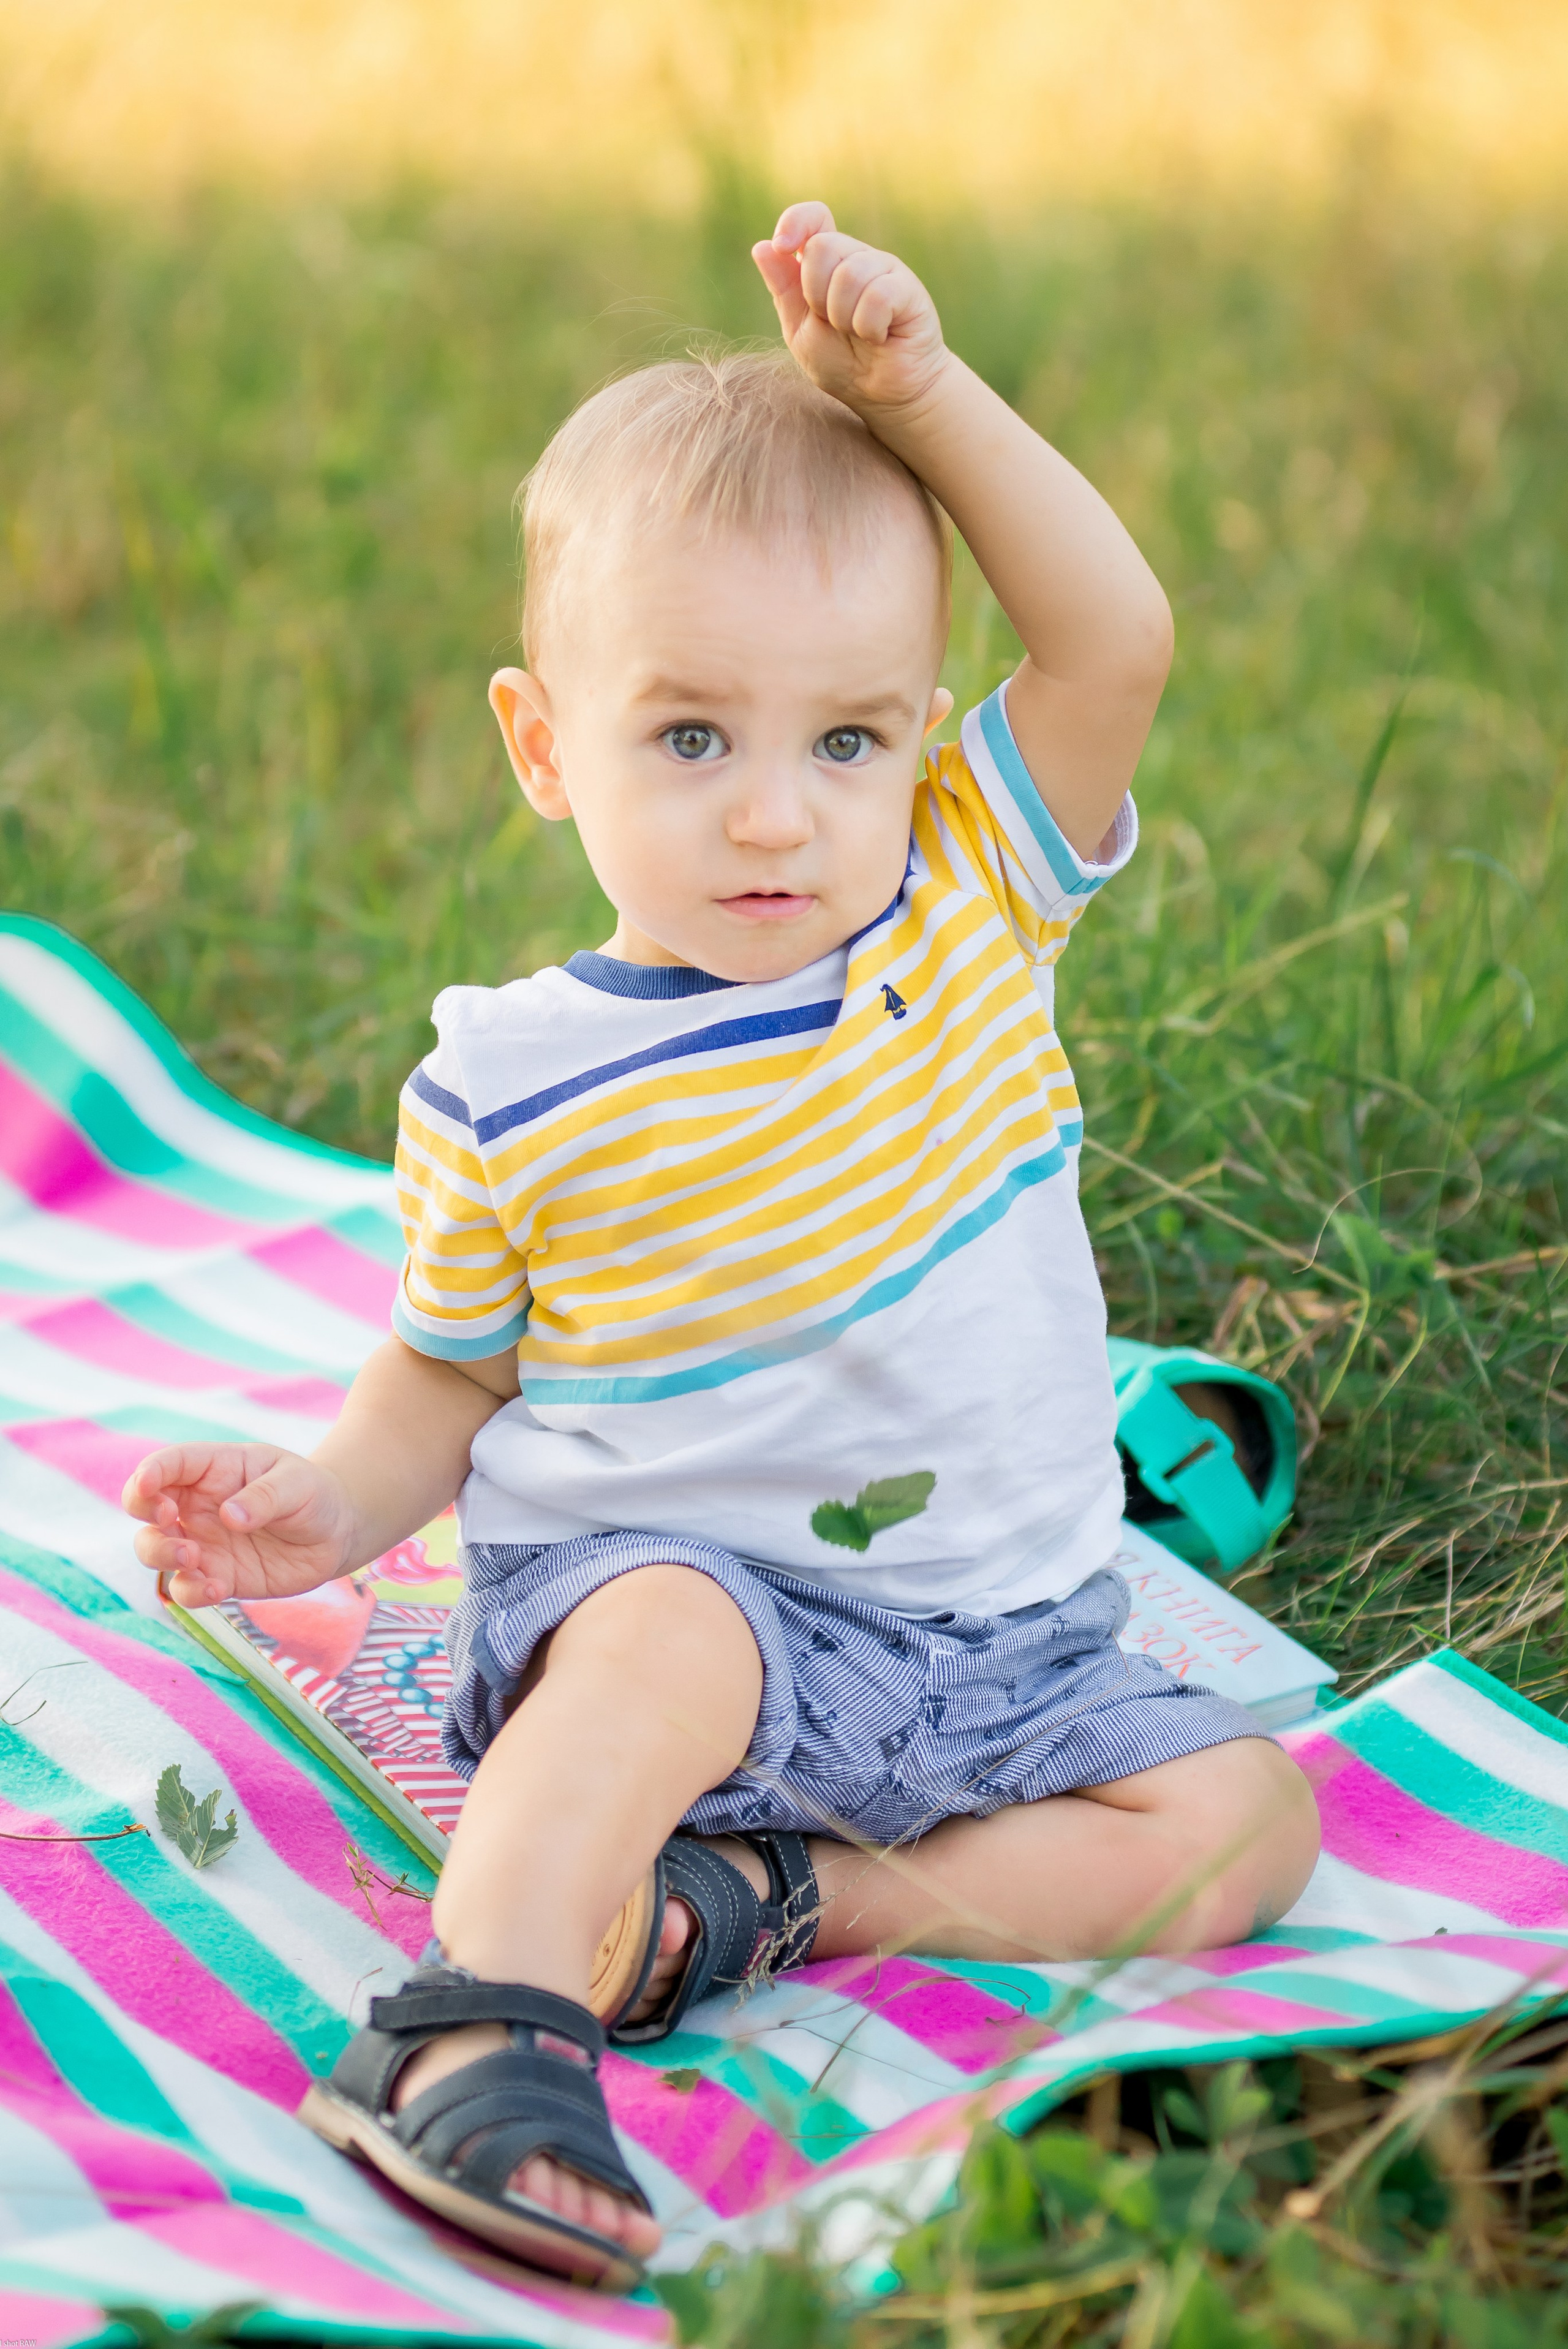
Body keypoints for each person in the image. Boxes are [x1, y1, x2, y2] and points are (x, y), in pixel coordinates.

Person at [123, 202, 1319, 2291]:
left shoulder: (970, 893)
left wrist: (920, 400)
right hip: (674, 1622)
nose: (778, 815)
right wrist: (325, 1501)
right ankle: (478, 2018)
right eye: (693, 735)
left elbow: (1113, 635)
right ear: (540, 746)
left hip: (1004, 1646)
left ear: (921, 739)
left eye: (847, 738)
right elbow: (453, 1372)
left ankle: (767, 1906)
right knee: (672, 1632)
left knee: (1248, 1828)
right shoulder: (517, 1078)